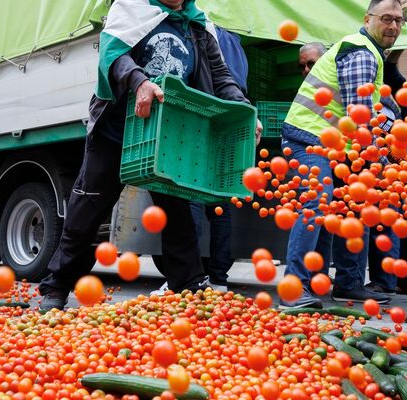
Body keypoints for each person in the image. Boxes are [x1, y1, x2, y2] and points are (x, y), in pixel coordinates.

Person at [38, 0, 260, 310]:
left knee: (177, 210)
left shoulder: (197, 25)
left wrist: (244, 110)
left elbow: (222, 78)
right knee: (87, 208)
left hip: (166, 134)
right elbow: (113, 54)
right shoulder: (131, 8)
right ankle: (57, 286)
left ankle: (189, 286)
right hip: (117, 130)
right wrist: (139, 82)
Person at [279, 0, 406, 308]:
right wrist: (382, 161)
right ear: (368, 18)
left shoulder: (371, 52)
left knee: (355, 207)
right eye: (386, 18)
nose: (393, 26)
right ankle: (294, 288)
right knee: (316, 201)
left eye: (399, 20)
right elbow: (358, 114)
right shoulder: (361, 50)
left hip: (337, 143)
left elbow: (370, 110)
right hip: (310, 136)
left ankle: (348, 283)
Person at [151, 26, 248, 295]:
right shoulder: (237, 44)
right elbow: (236, 83)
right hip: (230, 122)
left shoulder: (198, 29)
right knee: (220, 205)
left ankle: (179, 278)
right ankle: (218, 279)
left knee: (190, 196)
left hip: (204, 118)